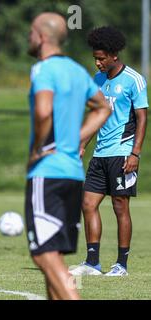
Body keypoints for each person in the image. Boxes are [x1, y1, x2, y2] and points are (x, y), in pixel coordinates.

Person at [25, 13, 111, 299]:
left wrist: (38, 147)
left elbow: (43, 111)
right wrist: (74, 139)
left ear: (42, 36)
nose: (28, 37)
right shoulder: (77, 71)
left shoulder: (43, 69)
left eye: (31, 32)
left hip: (47, 171)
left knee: (44, 256)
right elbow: (102, 108)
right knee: (55, 255)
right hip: (73, 174)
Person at [70, 26, 148, 277]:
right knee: (88, 203)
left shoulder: (134, 80)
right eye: (95, 57)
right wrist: (83, 143)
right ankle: (93, 262)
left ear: (114, 55)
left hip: (123, 152)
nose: (98, 62)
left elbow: (142, 117)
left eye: (102, 58)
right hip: (101, 154)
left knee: (119, 206)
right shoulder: (97, 81)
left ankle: (121, 265)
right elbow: (96, 115)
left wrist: (135, 154)